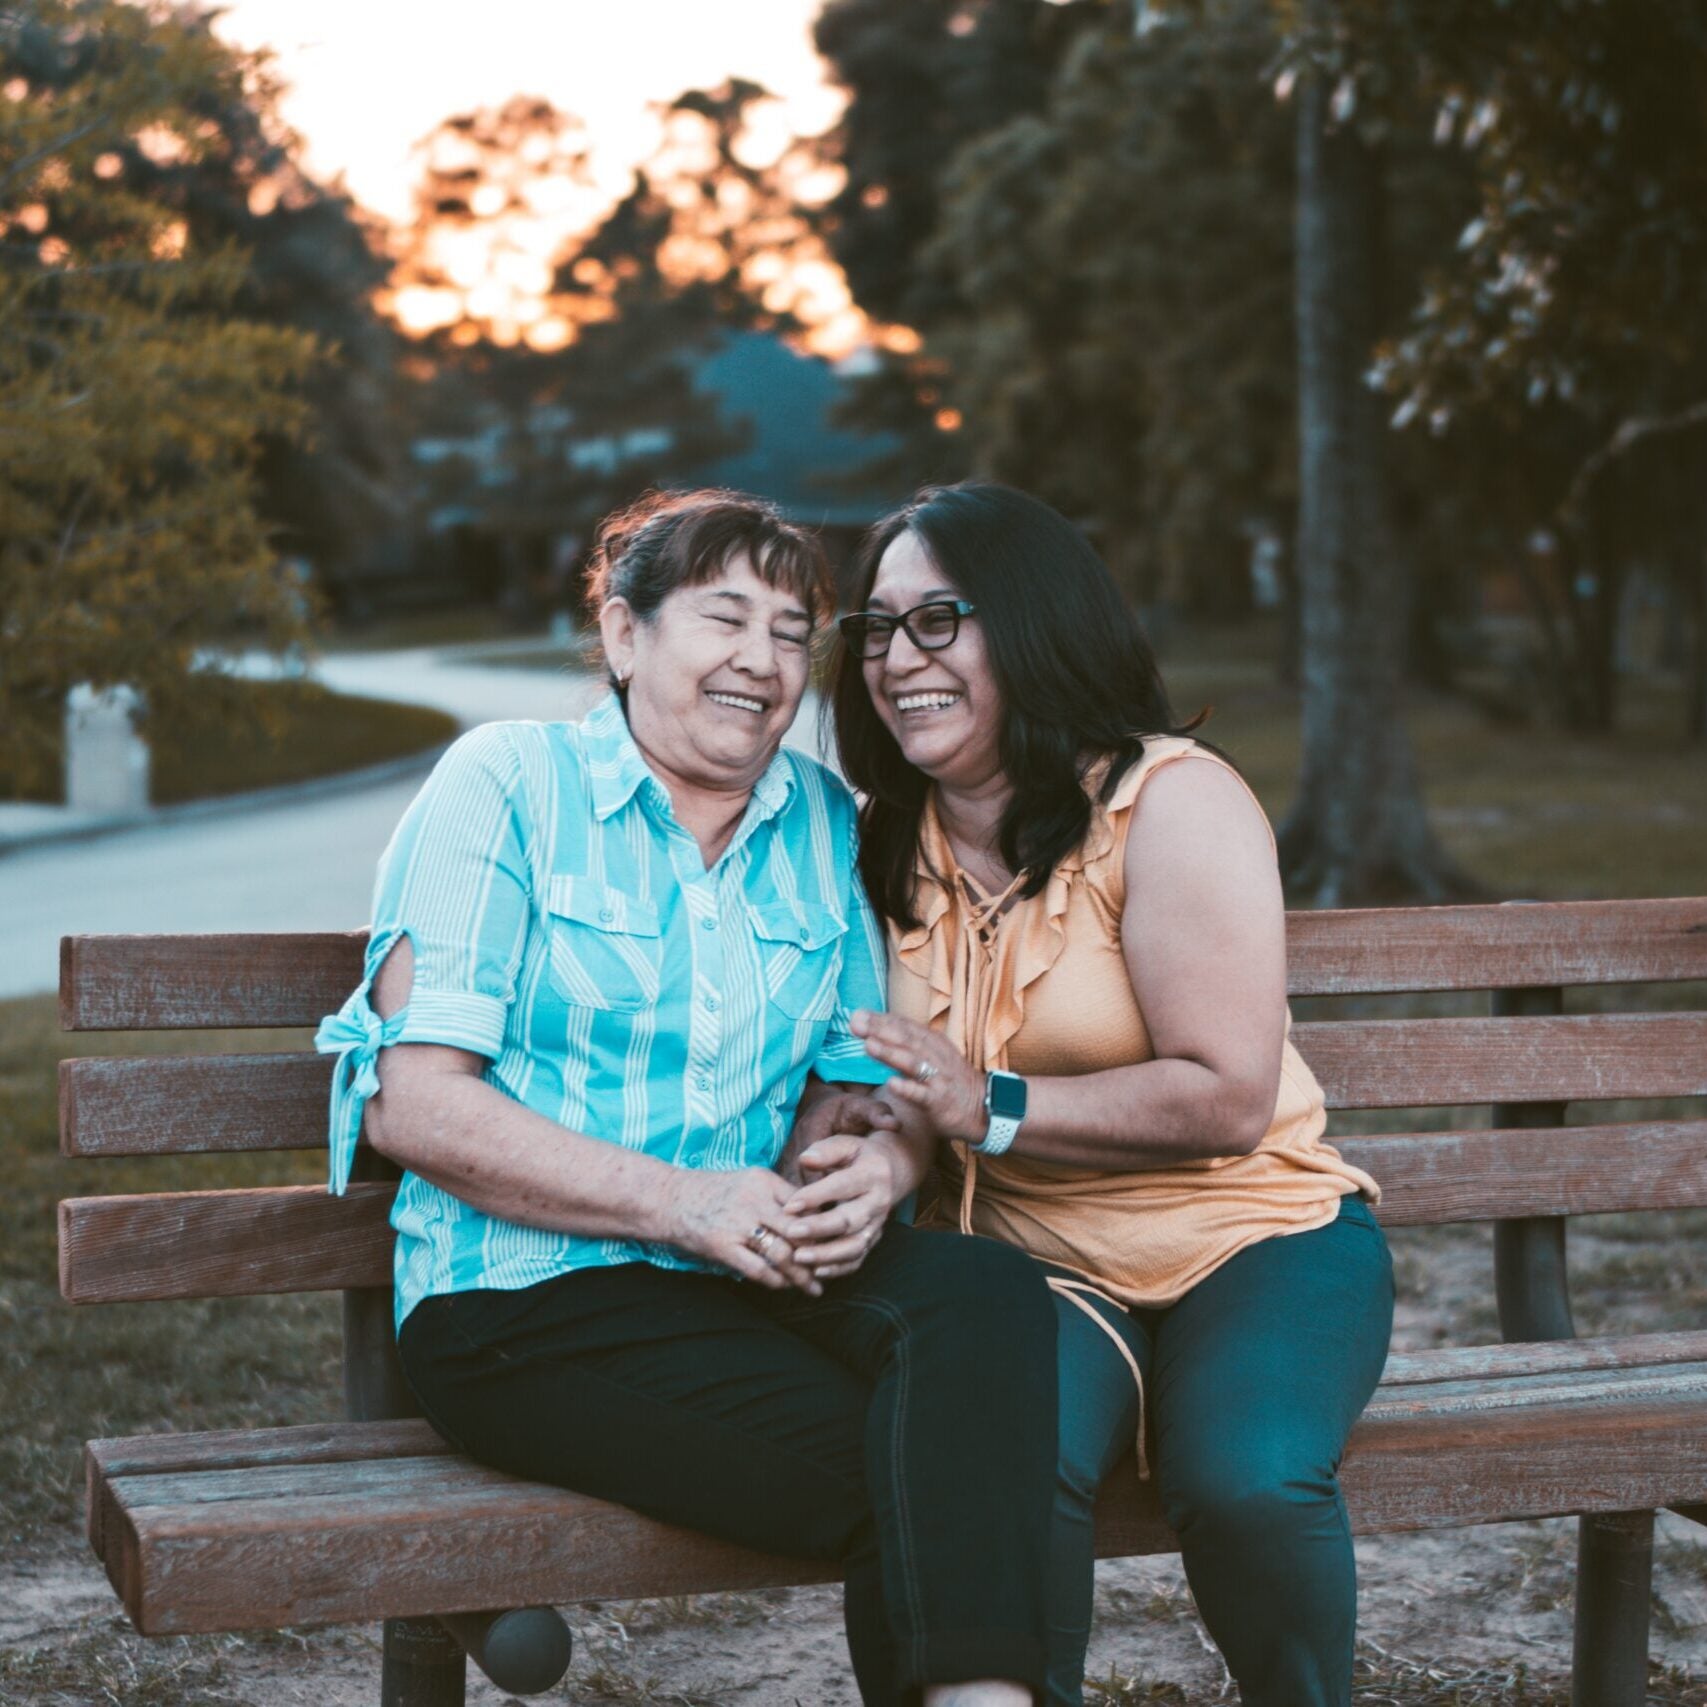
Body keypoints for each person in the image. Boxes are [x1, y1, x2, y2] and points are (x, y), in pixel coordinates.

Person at [315, 489, 1060, 1707]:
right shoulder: (506, 785)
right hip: (522, 1307)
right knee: (930, 1475)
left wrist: (872, 1165)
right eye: (725, 618)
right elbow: (414, 1105)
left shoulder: (823, 822)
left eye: (789, 631)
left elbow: (853, 1081)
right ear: (624, 636)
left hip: (744, 1276)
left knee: (981, 1293)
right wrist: (678, 1203)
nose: (762, 662)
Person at [822, 482, 1396, 1707]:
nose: (896, 659)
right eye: (876, 627)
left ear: (1031, 623)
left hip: (1256, 1240)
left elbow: (1228, 1095)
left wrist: (993, 1106)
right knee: (995, 1479)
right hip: (1030, 1264)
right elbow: (899, 1087)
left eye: (939, 621)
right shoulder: (879, 840)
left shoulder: (1169, 801)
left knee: (1246, 1477)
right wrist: (876, 1147)